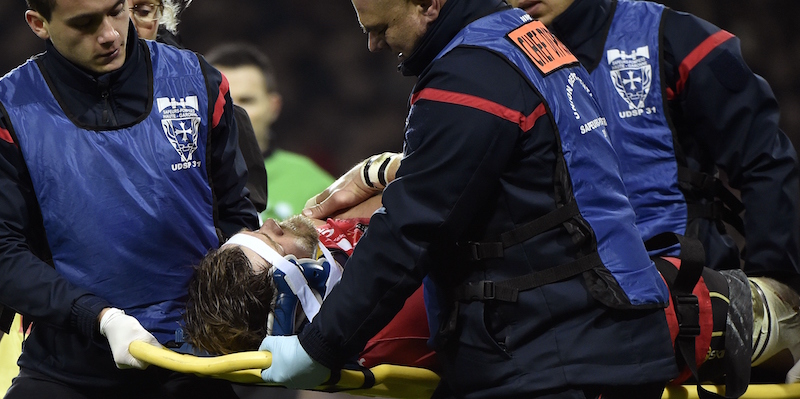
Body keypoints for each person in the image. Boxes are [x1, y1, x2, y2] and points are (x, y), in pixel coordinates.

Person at [261, 0, 691, 397]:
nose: (373, 45)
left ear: (429, 4)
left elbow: (412, 229)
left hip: (561, 353)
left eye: (380, 28)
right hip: (593, 331)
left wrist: (318, 347)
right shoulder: (519, 35)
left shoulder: (471, 74)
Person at [0, 0, 258, 397]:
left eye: (116, 10)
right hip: (69, 368)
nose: (109, 34)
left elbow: (236, 215)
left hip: (195, 363)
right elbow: (4, 251)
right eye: (85, 23)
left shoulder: (200, 82)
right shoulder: (9, 109)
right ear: (39, 24)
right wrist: (99, 317)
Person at [183, 203, 438, 373]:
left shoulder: (315, 249)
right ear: (292, 305)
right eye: (273, 241)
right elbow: (430, 194)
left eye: (257, 230)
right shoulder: (391, 324)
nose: (271, 222)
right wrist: (376, 174)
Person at [126, 0, 269, 214]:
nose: (126, 25)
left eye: (144, 11)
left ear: (162, 12)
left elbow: (244, 205)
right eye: (116, 8)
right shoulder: (62, 93)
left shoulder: (203, 86)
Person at [205, 43, 335, 222]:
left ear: (274, 107)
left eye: (246, 100)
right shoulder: (183, 180)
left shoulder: (315, 185)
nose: (233, 112)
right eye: (221, 100)